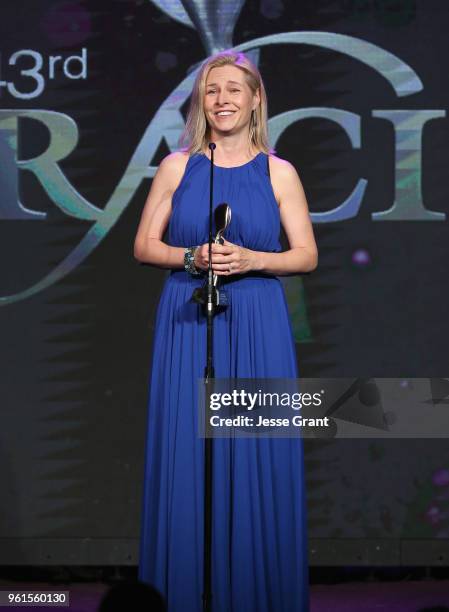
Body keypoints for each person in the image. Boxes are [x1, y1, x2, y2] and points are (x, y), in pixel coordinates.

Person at [134, 50, 318, 612]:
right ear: (201, 102)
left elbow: (306, 256)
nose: (223, 100)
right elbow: (144, 246)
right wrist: (194, 256)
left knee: (253, 452)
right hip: (190, 321)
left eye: (235, 89)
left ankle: (256, 594)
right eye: (213, 91)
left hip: (258, 321)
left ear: (256, 98)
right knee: (190, 452)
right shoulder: (178, 166)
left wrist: (250, 260)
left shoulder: (278, 171)